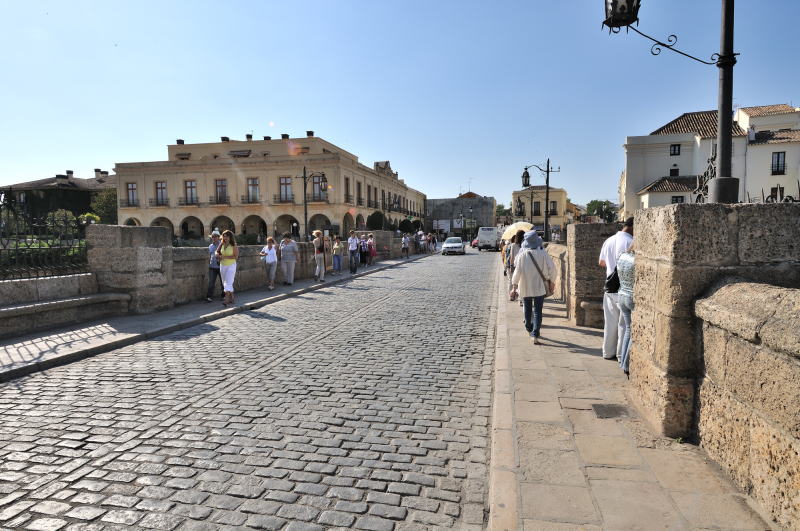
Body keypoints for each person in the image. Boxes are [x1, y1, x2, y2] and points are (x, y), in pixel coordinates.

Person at [599, 217, 634, 360]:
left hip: (609, 287)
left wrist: (612, 265)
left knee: (610, 323)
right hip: (623, 288)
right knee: (623, 325)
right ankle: (620, 355)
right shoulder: (631, 242)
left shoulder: (609, 240)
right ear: (633, 227)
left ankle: (607, 352)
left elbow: (601, 262)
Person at [511, 231, 555, 344]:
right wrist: (552, 282)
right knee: (538, 311)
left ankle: (529, 327)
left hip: (525, 286)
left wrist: (514, 287)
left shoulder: (522, 255)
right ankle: (535, 333)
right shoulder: (543, 253)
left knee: (527, 309)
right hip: (539, 286)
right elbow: (552, 269)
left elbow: (517, 272)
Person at [617, 246, 636, 377]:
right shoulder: (636, 260)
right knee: (633, 332)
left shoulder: (622, 256)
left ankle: (623, 362)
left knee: (628, 330)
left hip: (621, 294)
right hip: (631, 297)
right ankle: (626, 364)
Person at [215, 230, 239, 307]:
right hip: (222, 265)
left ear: (230, 237)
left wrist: (224, 257)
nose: (225, 238)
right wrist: (217, 255)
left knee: (228, 282)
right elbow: (217, 251)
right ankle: (232, 297)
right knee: (224, 282)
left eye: (227, 236)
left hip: (231, 265)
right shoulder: (222, 243)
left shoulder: (234, 245)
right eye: (224, 236)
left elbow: (235, 256)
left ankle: (226, 299)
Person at [206, 229, 223, 302]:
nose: (214, 238)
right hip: (212, 267)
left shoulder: (222, 245)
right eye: (213, 236)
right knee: (211, 282)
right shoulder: (210, 246)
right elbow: (209, 256)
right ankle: (209, 296)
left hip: (221, 266)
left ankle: (223, 295)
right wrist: (209, 263)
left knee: (222, 282)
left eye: (215, 236)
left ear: (219, 237)